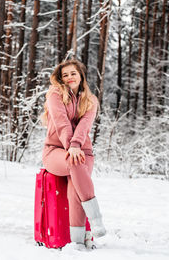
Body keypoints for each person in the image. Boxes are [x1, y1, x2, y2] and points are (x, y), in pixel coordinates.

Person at [41, 59, 106, 249]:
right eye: (65, 75)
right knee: (74, 161)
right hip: (54, 151)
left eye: (73, 73)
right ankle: (96, 220)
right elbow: (61, 123)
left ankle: (77, 241)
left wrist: (77, 145)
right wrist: (71, 146)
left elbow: (85, 126)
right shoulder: (55, 94)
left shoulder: (91, 100)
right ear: (60, 79)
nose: (69, 77)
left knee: (75, 186)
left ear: (81, 75)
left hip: (84, 152)